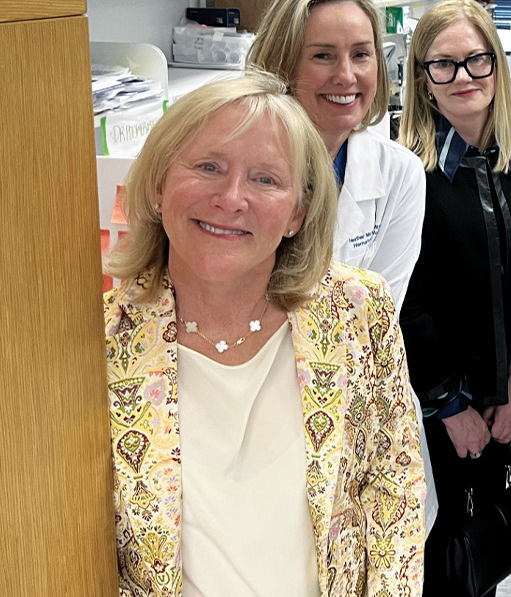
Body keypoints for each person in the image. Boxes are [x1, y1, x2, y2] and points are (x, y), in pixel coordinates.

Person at [104, 73, 426, 596]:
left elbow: (393, 487)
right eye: (208, 166)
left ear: (298, 213)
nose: (231, 199)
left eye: (266, 179)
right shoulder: (98, 341)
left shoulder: (357, 310)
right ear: (159, 186)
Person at [397, 0, 511, 596]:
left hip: (502, 389)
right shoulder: (409, 173)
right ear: (423, 79)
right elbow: (408, 301)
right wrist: (447, 403)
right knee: (436, 549)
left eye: (476, 61)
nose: (463, 77)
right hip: (432, 398)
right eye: (444, 65)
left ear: (498, 66)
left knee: (481, 548)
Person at [247, 0, 426, 313]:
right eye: (323, 55)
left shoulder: (400, 174)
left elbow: (377, 317)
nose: (346, 76)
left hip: (349, 361)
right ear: (282, 65)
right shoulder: (241, 164)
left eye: (360, 54)